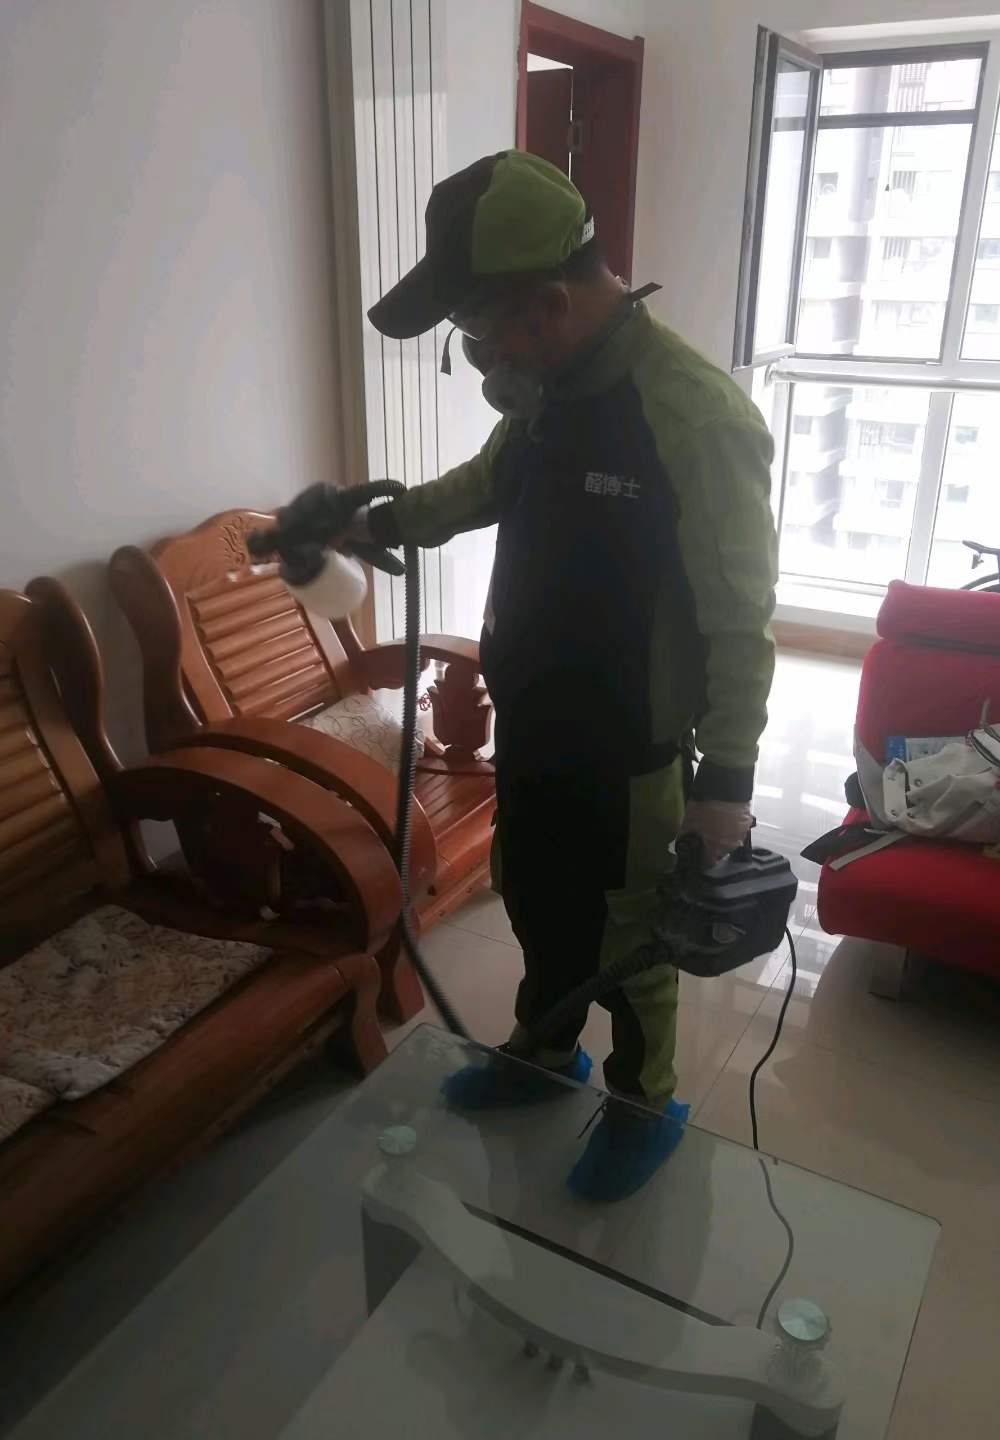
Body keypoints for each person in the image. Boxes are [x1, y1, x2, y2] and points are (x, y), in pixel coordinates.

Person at [351, 151, 777, 1201]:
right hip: (533, 723)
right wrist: (392, 520)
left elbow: (739, 618)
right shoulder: (549, 396)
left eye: (478, 330)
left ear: (547, 304)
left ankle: (643, 1104)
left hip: (631, 749)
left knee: (630, 938)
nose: (481, 355)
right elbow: (485, 484)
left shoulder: (694, 415)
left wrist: (725, 784)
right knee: (539, 904)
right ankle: (543, 1054)